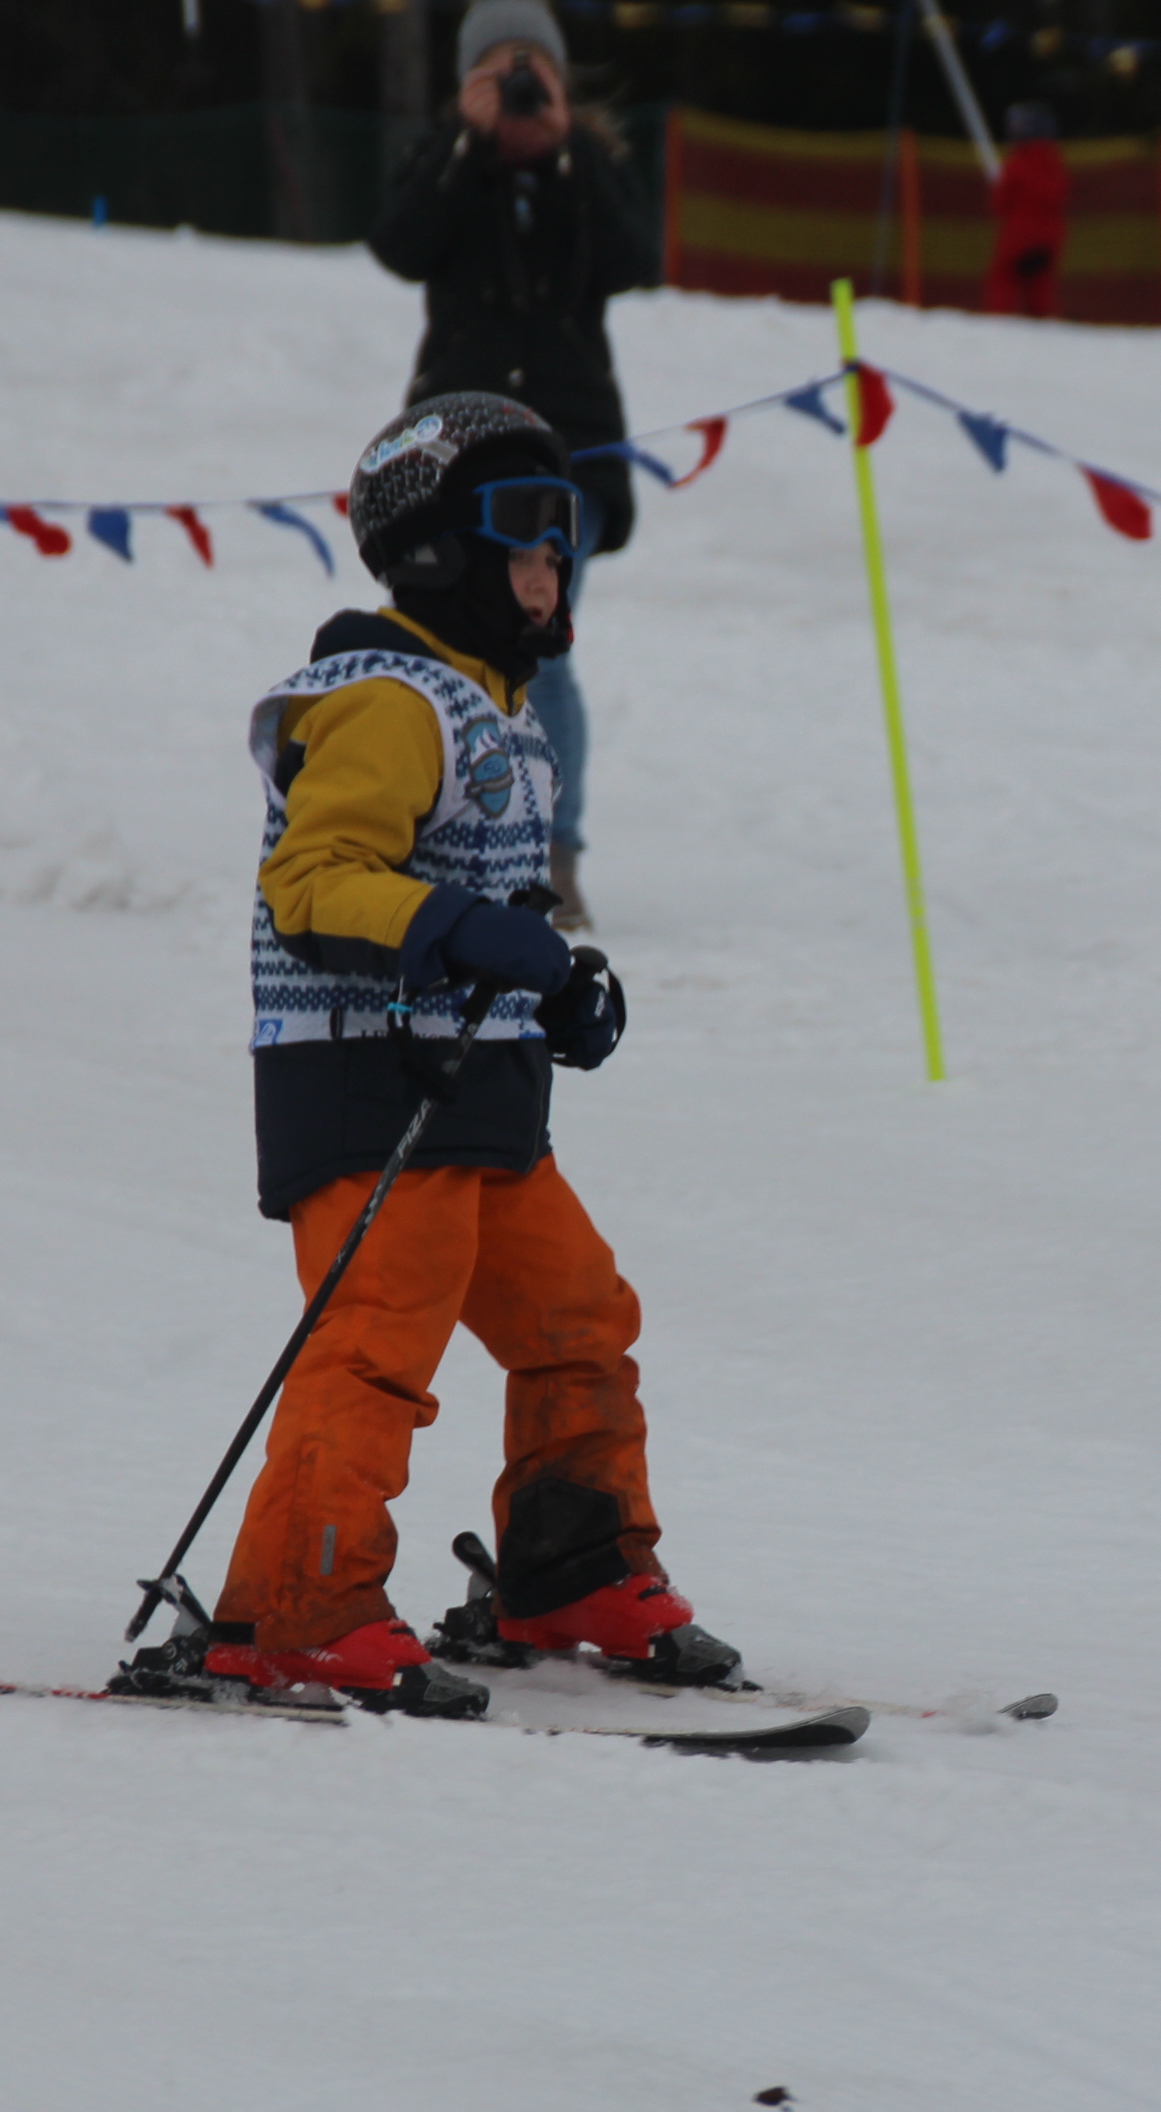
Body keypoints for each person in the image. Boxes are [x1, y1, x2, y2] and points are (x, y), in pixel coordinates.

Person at [134, 392, 738, 1717]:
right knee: (376, 1342)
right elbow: (315, 884)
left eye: (565, 540)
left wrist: (555, 988)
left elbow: (491, 914)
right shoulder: (387, 699)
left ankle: (571, 1570)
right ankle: (295, 1611)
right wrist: (460, 931)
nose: (551, 568)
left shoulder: (499, 710)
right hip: (365, 1086)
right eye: (524, 536)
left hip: (482, 1095)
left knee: (579, 1319)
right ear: (435, 550)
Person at [368, 0, 663, 931]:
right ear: (466, 82)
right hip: (456, 446)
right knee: (441, 642)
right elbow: (400, 244)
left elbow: (635, 256)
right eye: (500, 70)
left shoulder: (592, 164)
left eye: (534, 69)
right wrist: (469, 143)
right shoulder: (445, 161)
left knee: (539, 642)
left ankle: (549, 853)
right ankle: (449, 831)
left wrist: (566, 152)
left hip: (569, 450)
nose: (522, 86)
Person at [986, 100, 1071, 319]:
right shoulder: (1055, 162)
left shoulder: (1017, 163)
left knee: (1004, 277)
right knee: (1040, 283)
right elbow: (1061, 194)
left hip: (1019, 236)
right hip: (1050, 237)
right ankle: (1044, 321)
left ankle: (999, 321)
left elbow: (1000, 204)